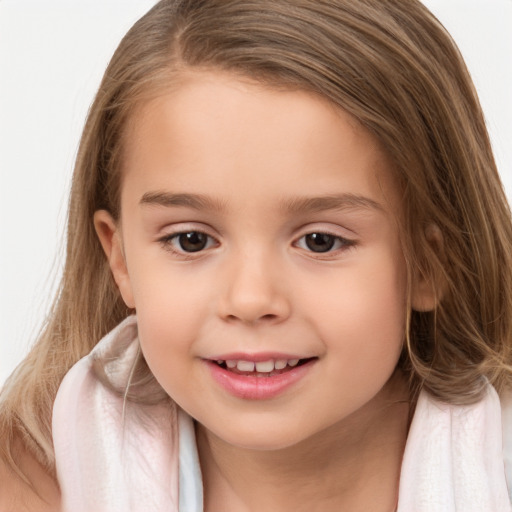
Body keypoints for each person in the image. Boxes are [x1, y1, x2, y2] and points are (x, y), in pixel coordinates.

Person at [1, 0, 512, 510]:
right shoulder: (29, 485)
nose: (250, 299)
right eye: (191, 240)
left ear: (430, 263)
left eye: (320, 241)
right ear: (121, 260)